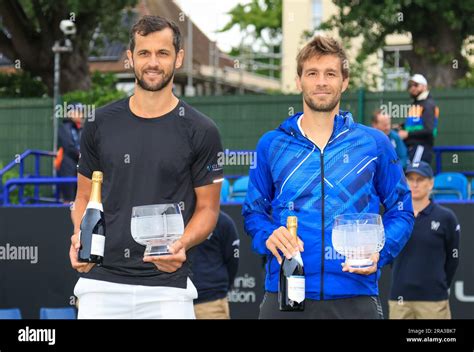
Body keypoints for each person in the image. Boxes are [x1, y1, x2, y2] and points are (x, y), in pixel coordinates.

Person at [242, 35, 414, 319]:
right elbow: (253, 212)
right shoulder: (271, 145)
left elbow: (402, 209)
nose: (321, 82)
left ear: (344, 82)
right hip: (286, 295)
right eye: (312, 73)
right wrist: (268, 234)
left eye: (330, 73)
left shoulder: (374, 143)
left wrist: (380, 254)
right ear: (299, 81)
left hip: (355, 293)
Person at [69, 15, 223, 319]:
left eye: (162, 53)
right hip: (101, 285)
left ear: (178, 58)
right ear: (130, 58)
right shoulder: (99, 124)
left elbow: (208, 209)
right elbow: (84, 199)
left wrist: (182, 244)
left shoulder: (202, 130)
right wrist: (79, 237)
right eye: (144, 53)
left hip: (168, 287)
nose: (153, 62)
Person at [389, 161, 460, 319]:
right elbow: (390, 255)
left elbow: (453, 259)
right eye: (410, 179)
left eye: (420, 179)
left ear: (431, 183)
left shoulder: (446, 217)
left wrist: (439, 285)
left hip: (433, 301)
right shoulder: (394, 216)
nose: (414, 184)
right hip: (399, 299)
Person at [191, 211, 239, 319]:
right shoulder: (175, 218)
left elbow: (232, 261)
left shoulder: (223, 221)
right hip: (175, 301)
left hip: (211, 302)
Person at [398, 74, 439, 164]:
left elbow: (428, 130)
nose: (412, 88)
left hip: (421, 147)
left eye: (416, 85)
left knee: (414, 176)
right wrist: (402, 126)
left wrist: (407, 134)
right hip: (413, 148)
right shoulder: (417, 103)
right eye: (410, 85)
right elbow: (416, 124)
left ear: (425, 86)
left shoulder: (427, 104)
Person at [57, 102, 84, 202]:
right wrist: (82, 155)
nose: (81, 115)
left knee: (80, 197)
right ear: (70, 113)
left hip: (80, 166)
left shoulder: (80, 128)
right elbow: (69, 147)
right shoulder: (65, 127)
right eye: (79, 112)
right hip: (68, 166)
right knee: (69, 197)